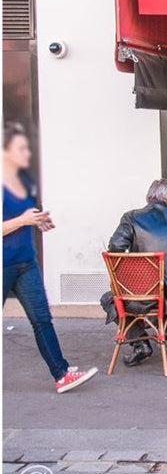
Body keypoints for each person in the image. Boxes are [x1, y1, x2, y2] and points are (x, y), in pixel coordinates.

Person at [3, 123, 98, 393]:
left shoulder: (24, 182)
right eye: (21, 148)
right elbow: (14, 221)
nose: (27, 153)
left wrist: (39, 221)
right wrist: (22, 220)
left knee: (42, 319)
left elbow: (27, 215)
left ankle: (61, 374)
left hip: (26, 263)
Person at [103, 178, 167, 366]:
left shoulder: (131, 218)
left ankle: (140, 343)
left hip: (145, 291)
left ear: (149, 196)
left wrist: (136, 266)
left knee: (109, 298)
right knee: (165, 296)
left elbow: (115, 248)